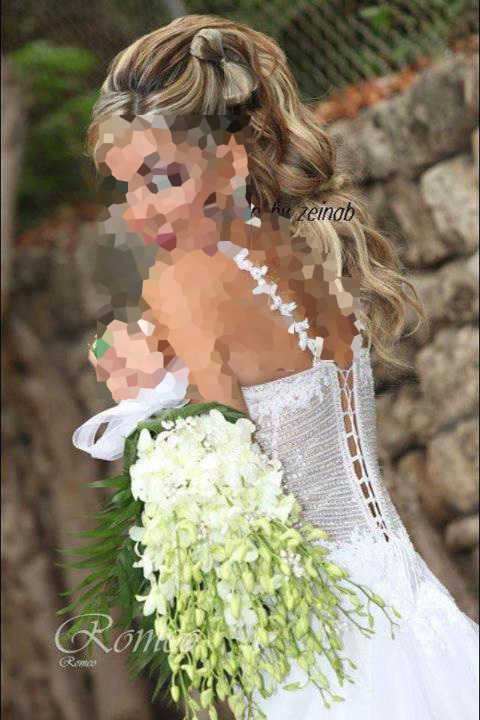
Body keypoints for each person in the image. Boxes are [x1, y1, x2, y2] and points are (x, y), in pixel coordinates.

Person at [77, 14, 479, 719]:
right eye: (126, 188)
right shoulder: (322, 250)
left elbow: (222, 480)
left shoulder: (183, 282)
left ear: (230, 163)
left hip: (318, 643)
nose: (142, 213)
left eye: (162, 179)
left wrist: (139, 398)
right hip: (409, 601)